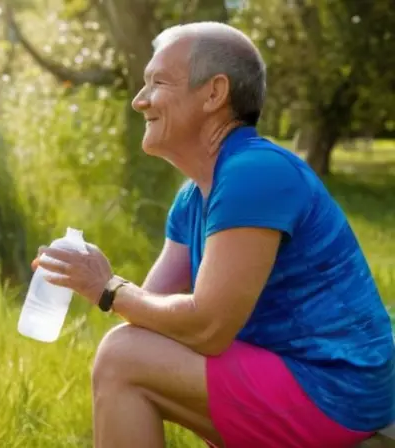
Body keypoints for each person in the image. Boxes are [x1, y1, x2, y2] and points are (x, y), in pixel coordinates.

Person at [34, 22, 395, 448]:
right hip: (298, 382)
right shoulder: (194, 197)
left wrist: (108, 288)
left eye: (158, 82)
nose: (138, 100)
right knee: (128, 350)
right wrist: (94, 281)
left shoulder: (256, 172)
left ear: (213, 93)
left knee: (120, 359)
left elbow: (207, 327)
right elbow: (151, 325)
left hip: (340, 394)